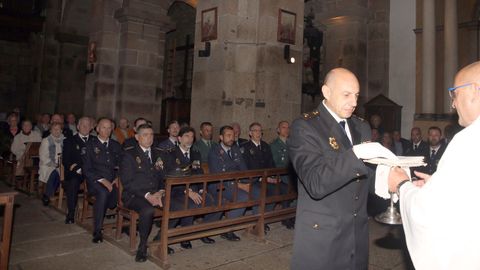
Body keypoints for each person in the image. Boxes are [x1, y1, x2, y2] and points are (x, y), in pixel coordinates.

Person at [388, 61, 480, 270]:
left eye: (454, 94)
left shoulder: (468, 140)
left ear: (474, 90)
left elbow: (429, 214)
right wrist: (440, 184)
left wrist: (402, 185)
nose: (453, 104)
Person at [288, 68, 375, 269]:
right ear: (327, 92)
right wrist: (355, 154)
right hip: (324, 235)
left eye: (356, 96)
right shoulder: (306, 127)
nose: (354, 102)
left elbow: (366, 174)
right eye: (346, 95)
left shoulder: (361, 126)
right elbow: (315, 182)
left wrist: (392, 180)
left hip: (357, 233)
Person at [120, 124, 172, 262]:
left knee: (176, 203)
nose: (149, 138)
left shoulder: (158, 153)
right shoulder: (129, 154)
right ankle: (142, 246)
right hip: (134, 195)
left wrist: (160, 192)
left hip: (156, 193)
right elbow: (128, 182)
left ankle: (161, 238)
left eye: (151, 135)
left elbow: (163, 177)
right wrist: (148, 196)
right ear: (137, 137)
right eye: (145, 135)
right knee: (148, 210)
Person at [165, 126, 216, 249]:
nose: (190, 139)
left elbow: (198, 172)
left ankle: (203, 231)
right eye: (186, 136)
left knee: (211, 201)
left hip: (194, 189)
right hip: (176, 190)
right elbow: (170, 177)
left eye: (192, 137)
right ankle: (183, 236)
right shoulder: (171, 154)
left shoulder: (195, 153)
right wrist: (188, 191)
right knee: (190, 204)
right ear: (179, 138)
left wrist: (201, 189)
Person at [82, 118, 122, 243]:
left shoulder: (116, 145)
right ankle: (97, 230)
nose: (106, 130)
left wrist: (118, 178)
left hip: (113, 180)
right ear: (97, 129)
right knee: (103, 193)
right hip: (95, 181)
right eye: (103, 127)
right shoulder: (90, 145)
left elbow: (124, 164)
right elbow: (86, 169)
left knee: (126, 189)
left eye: (109, 127)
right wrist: (102, 180)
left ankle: (126, 225)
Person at [207, 125, 249, 241]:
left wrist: (247, 183)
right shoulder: (214, 152)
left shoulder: (235, 149)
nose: (232, 138)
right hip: (219, 185)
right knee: (244, 196)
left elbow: (244, 169)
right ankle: (228, 228)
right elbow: (219, 175)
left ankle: (257, 223)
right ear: (221, 137)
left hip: (236, 183)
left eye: (233, 136)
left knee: (257, 191)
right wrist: (240, 185)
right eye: (228, 135)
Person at [62, 117, 92, 224]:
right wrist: (78, 167)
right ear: (78, 127)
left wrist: (79, 164)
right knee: (73, 182)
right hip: (76, 172)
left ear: (91, 128)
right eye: (83, 125)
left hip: (91, 172)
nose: (85, 127)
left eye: (88, 125)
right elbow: (66, 161)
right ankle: (71, 213)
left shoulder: (94, 141)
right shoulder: (69, 141)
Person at [270, 120, 296, 229]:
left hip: (292, 174)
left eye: (288, 127)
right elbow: (275, 163)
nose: (286, 129)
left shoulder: (293, 143)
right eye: (283, 127)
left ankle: (293, 215)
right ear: (278, 130)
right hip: (281, 175)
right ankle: (286, 217)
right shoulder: (274, 145)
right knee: (287, 189)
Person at [39, 122, 64, 206]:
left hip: (61, 164)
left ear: (61, 130)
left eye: (59, 129)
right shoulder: (46, 140)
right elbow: (43, 156)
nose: (57, 131)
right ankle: (49, 194)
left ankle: (48, 194)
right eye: (54, 129)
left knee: (60, 172)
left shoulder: (64, 140)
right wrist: (54, 164)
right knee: (55, 172)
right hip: (48, 164)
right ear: (50, 130)